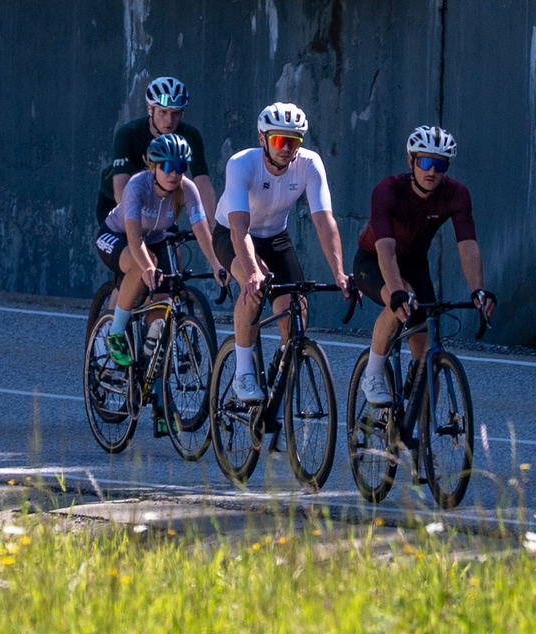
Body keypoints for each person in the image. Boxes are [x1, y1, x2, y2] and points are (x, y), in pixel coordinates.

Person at [352, 125, 496, 408]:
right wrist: (396, 292)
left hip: (416, 265)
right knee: (399, 303)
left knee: (427, 357)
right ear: (411, 161)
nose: (431, 171)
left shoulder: (456, 194)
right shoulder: (388, 190)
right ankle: (373, 373)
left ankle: (419, 431)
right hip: (373, 260)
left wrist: (478, 290)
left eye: (439, 164)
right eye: (425, 162)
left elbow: (467, 244)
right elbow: (385, 248)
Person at [220, 102, 349, 403]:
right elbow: (239, 225)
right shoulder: (241, 164)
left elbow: (323, 220)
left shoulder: (310, 164)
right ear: (262, 139)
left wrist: (339, 273)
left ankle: (282, 368)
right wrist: (252, 271)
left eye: (294, 141)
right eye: (279, 140)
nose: (287, 148)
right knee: (254, 289)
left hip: (276, 237)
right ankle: (243, 374)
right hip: (232, 234)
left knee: (297, 313)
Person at [95, 134, 229, 403]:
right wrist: (146, 267)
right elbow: (134, 239)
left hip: (156, 240)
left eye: (180, 167)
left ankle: (152, 343)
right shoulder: (137, 186)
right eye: (167, 167)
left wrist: (216, 264)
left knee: (166, 294)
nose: (174, 174)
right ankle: (115, 334)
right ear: (153, 166)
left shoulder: (187, 189)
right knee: (141, 267)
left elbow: (201, 229)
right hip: (117, 236)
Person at [94, 76, 211, 240]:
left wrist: (218, 229)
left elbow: (203, 184)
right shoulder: (128, 133)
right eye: (163, 112)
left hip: (160, 200)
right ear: (150, 108)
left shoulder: (189, 136)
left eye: (176, 113)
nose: (169, 120)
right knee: (136, 259)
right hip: (117, 203)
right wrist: (137, 231)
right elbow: (121, 188)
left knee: (174, 254)